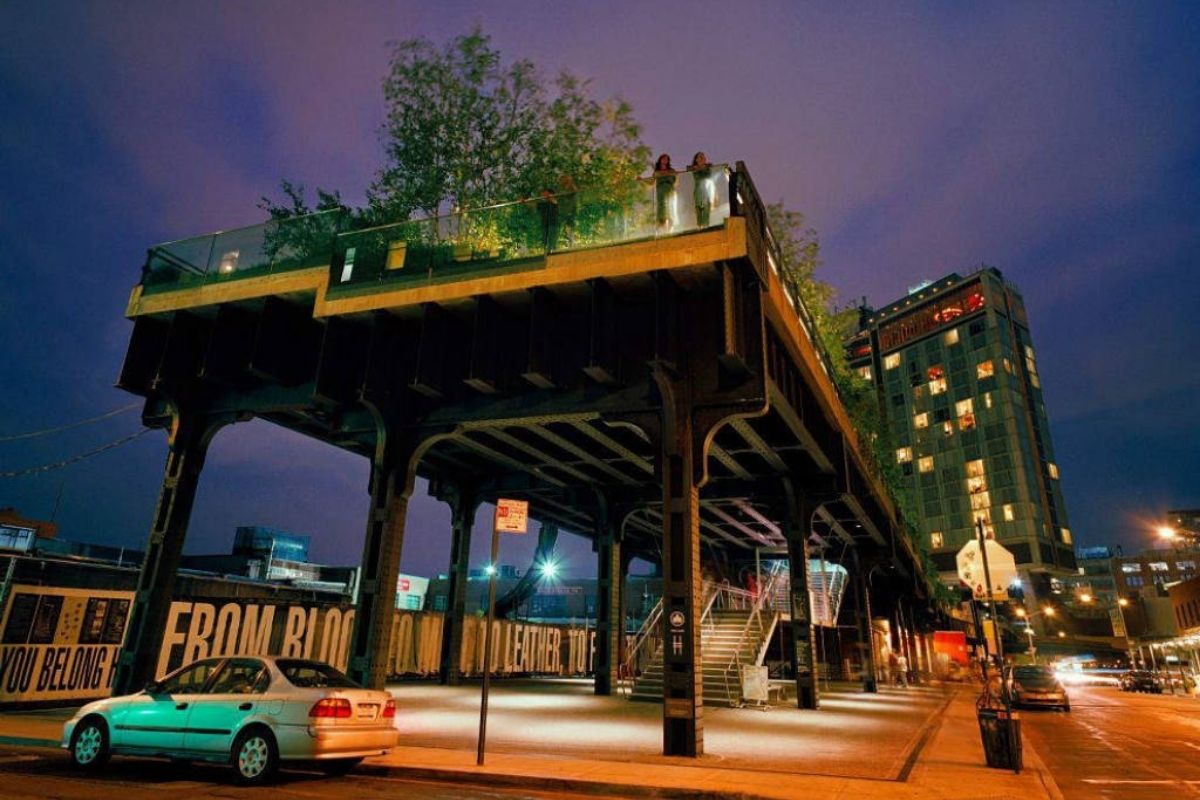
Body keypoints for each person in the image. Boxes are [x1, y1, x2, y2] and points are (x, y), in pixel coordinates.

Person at [688, 151, 715, 228]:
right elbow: (689, 169)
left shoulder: (708, 167)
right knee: (698, 208)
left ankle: (705, 225)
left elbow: (709, 176)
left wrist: (705, 166)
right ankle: (699, 226)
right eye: (700, 157)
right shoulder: (693, 168)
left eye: (703, 157)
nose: (702, 158)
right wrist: (700, 167)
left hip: (706, 189)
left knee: (706, 207)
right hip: (698, 190)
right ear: (696, 159)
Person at [652, 153, 677, 231]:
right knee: (662, 209)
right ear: (660, 160)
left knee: (670, 209)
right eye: (663, 158)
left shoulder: (672, 171)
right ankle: (661, 228)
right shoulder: (656, 172)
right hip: (660, 193)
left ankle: (670, 228)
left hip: (669, 191)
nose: (665, 160)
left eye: (667, 159)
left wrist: (676, 176)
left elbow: (676, 183)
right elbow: (651, 183)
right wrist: (641, 180)